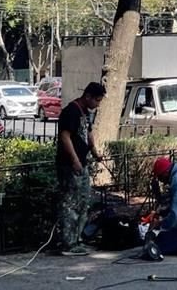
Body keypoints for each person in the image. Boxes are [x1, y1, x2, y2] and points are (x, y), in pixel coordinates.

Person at [56, 81, 106, 255]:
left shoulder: (85, 112)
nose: (97, 104)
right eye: (97, 100)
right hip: (69, 165)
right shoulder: (71, 111)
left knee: (83, 201)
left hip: (82, 162)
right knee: (71, 202)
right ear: (88, 96)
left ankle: (78, 239)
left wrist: (94, 151)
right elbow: (65, 136)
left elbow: (89, 133)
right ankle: (68, 243)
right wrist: (75, 160)